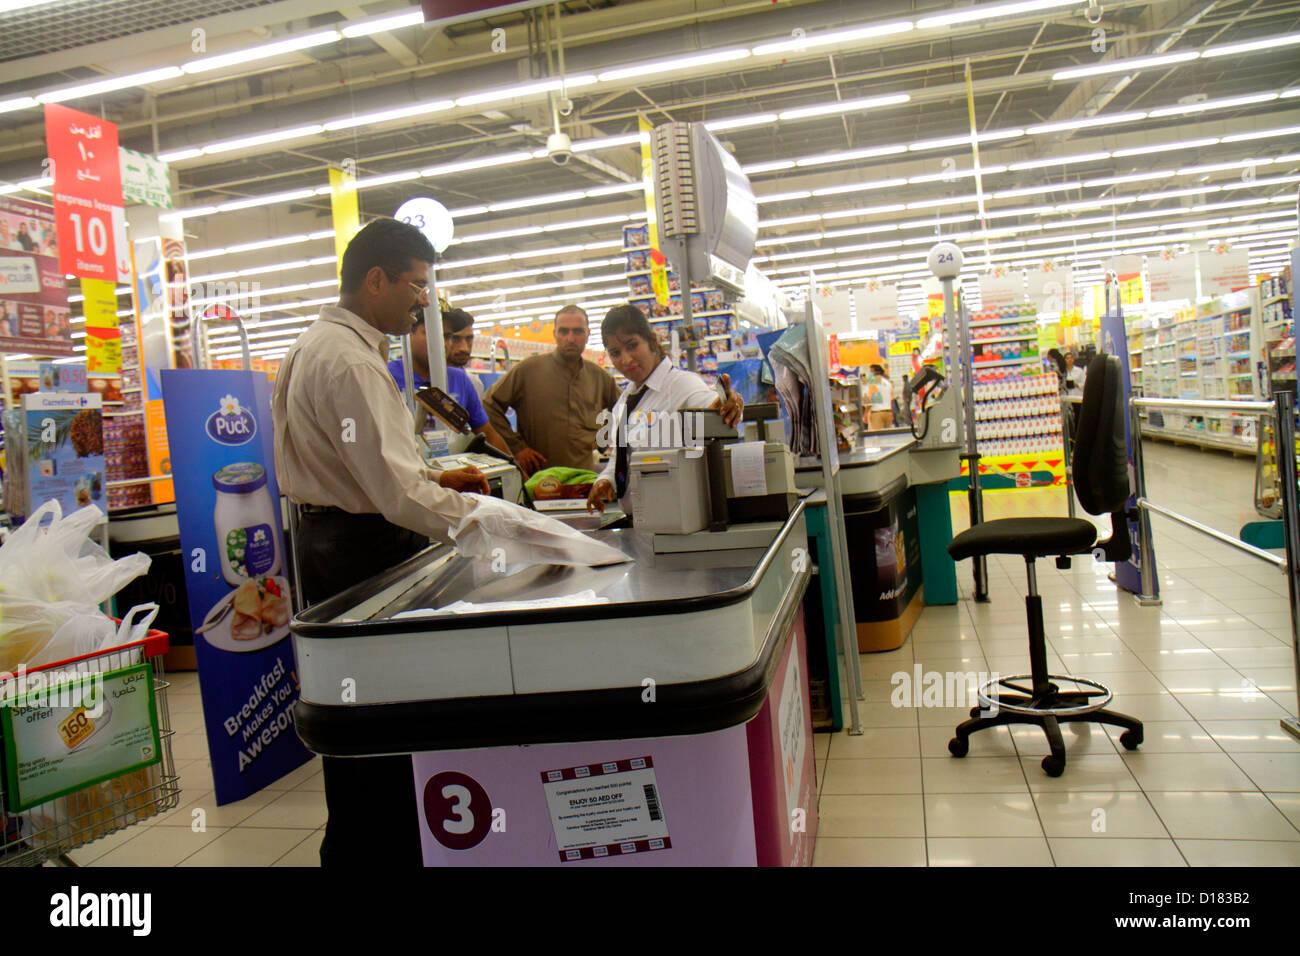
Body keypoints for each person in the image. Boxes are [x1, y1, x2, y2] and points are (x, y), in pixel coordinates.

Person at [270, 217, 490, 868]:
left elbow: (367, 469)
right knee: (379, 716)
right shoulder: (350, 362)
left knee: (352, 716)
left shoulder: (320, 346)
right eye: (417, 285)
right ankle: (377, 852)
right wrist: (484, 520)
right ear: (376, 281)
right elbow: (394, 496)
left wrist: (437, 477)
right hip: (358, 551)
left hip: (328, 542)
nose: (425, 300)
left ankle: (359, 846)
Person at [587, 304, 744, 514]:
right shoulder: (625, 399)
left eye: (632, 345)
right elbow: (622, 456)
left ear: (652, 340)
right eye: (615, 353)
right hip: (640, 522)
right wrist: (606, 480)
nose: (625, 359)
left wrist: (728, 402)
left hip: (676, 521)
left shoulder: (682, 385)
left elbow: (711, 407)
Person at [484, 304, 619, 476]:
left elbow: (625, 409)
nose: (570, 338)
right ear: (555, 333)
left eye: (578, 331)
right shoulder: (528, 370)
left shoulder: (600, 377)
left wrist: (603, 439)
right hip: (538, 479)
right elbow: (489, 404)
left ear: (587, 334)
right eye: (564, 331)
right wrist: (517, 448)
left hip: (584, 479)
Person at [387, 307, 510, 456]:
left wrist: (518, 472)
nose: (442, 343)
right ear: (410, 332)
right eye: (431, 333)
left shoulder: (460, 379)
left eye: (447, 336)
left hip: (450, 471)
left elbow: (488, 434)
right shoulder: (386, 375)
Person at [441, 305, 487, 397]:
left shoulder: (474, 383)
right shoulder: (423, 381)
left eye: (469, 339)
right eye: (455, 338)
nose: (464, 348)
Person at [863, 364, 894, 431]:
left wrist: (865, 413)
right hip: (888, 412)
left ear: (875, 372)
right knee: (888, 436)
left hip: (877, 413)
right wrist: (891, 412)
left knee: (878, 438)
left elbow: (869, 399)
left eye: (870, 371)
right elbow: (892, 399)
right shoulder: (888, 383)